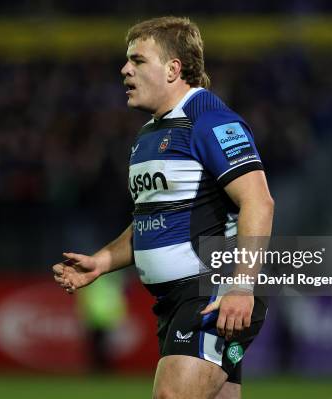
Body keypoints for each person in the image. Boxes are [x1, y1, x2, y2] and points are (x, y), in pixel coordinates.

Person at [53, 16, 274, 399]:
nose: (124, 69)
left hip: (212, 291)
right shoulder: (147, 136)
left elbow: (258, 200)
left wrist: (241, 285)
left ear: (174, 69)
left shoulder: (210, 120)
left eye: (138, 61)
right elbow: (151, 220)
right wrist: (102, 262)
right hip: (174, 303)